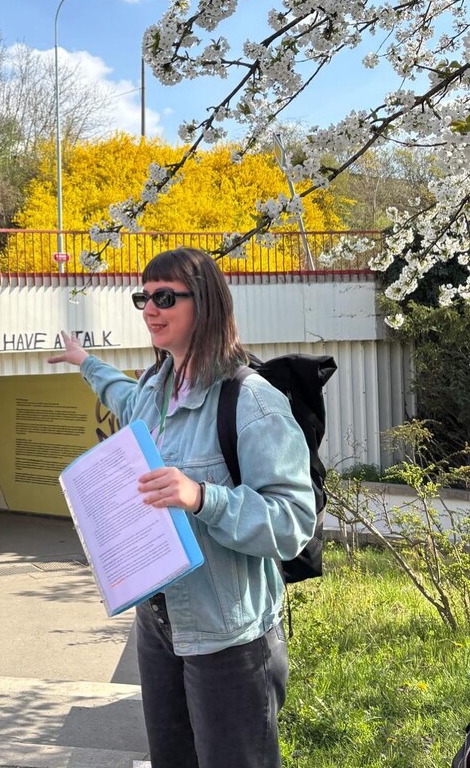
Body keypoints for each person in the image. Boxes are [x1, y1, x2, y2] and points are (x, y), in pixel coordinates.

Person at [47, 248, 316, 768]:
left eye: (165, 297)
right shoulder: (155, 388)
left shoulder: (252, 402)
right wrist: (85, 362)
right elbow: (123, 396)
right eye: (142, 297)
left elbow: (292, 521)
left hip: (229, 638)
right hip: (159, 624)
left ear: (206, 304)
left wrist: (202, 497)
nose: (150, 308)